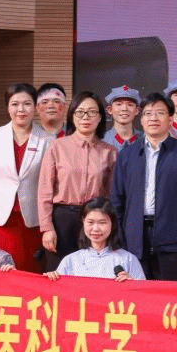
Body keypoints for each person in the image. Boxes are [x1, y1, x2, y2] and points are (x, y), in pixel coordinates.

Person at [111, 92, 177, 281]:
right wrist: (118, 241)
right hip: (135, 238)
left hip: (173, 240)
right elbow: (116, 202)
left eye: (160, 113)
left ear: (170, 119)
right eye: (148, 113)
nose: (153, 118)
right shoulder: (127, 155)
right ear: (141, 119)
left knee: (170, 294)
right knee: (137, 293)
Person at [0, 82, 53, 272]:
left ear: (36, 107)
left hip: (33, 222)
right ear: (8, 107)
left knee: (30, 272)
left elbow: (50, 184)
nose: (21, 109)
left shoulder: (48, 140)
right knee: (0, 273)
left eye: (27, 104)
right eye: (15, 104)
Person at [37, 91, 117, 271]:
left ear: (100, 117)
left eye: (92, 112)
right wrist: (47, 228)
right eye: (80, 112)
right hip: (62, 220)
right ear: (72, 116)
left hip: (95, 220)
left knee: (92, 273)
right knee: (58, 274)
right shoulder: (57, 147)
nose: (85, 117)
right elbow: (44, 192)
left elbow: (112, 195)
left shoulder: (109, 152)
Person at [45, 198, 144, 281]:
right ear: (83, 222)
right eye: (90, 222)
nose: (96, 229)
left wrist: (132, 283)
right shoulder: (70, 260)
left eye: (102, 222)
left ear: (112, 224)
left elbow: (143, 293)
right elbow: (59, 294)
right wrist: (52, 279)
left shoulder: (128, 259)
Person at [103, 85, 142, 150]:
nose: (124, 109)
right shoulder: (101, 140)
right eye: (119, 104)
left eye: (130, 105)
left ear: (136, 110)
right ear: (110, 110)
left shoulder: (146, 140)